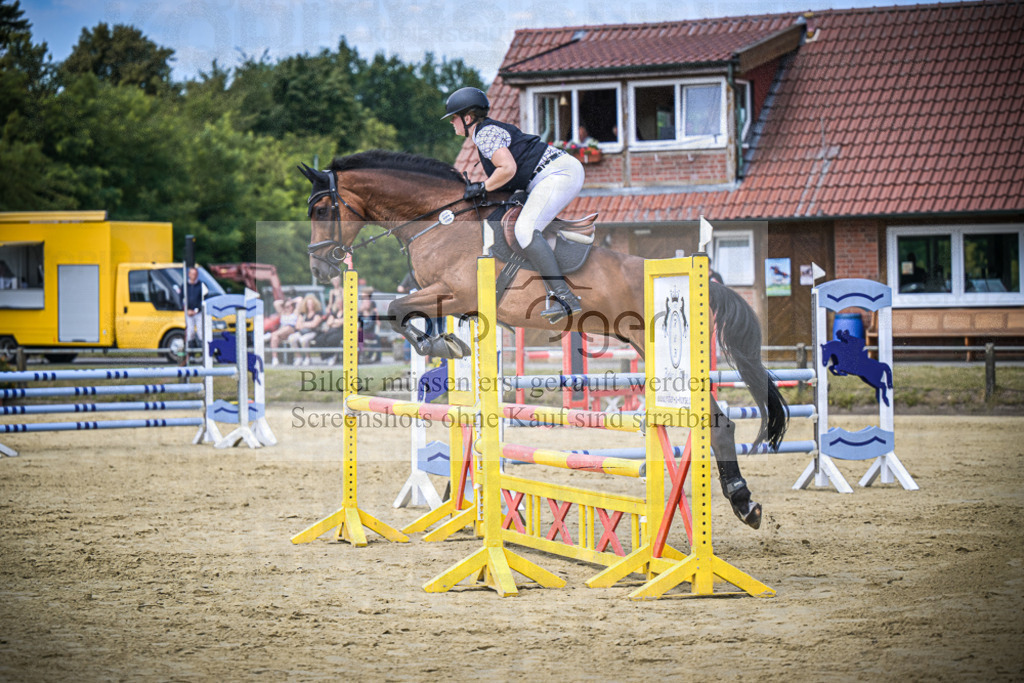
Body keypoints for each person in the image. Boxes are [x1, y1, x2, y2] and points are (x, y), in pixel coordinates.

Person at [442, 86, 585, 323]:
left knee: (524, 230)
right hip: (547, 175)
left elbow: (508, 169)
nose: (452, 123)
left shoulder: (484, 134)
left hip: (558, 173)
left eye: (454, 118)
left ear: (467, 118)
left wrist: (482, 187)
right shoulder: (486, 133)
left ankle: (565, 297)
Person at [288, 294, 323, 365]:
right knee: (291, 338)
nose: (310, 305)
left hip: (312, 332)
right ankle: (298, 357)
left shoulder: (318, 313)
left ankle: (308, 358)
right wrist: (307, 324)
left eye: (311, 303)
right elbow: (297, 326)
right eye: (308, 304)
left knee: (303, 340)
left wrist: (303, 324)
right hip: (302, 332)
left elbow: (314, 324)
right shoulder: (303, 313)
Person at [270, 296, 301, 366]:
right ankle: (275, 358)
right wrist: (285, 302)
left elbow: (300, 299)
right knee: (275, 338)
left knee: (281, 331)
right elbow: (276, 303)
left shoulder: (295, 312)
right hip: (282, 333)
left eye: (290, 306)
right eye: (287, 306)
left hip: (291, 329)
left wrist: (291, 301)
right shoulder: (283, 312)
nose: (289, 307)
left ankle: (270, 335)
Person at [316, 298, 345, 365]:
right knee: (320, 339)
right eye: (338, 303)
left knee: (331, 340)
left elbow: (342, 323)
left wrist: (334, 321)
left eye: (340, 303)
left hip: (341, 331)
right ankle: (325, 356)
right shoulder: (334, 312)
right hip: (332, 330)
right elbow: (329, 322)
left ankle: (332, 356)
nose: (339, 304)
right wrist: (337, 322)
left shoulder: (346, 312)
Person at [184, 267, 203, 351]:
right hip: (188, 312)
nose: (193, 276)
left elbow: (203, 299)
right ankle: (190, 353)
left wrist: (196, 310)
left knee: (200, 332)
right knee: (190, 332)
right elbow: (181, 298)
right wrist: (186, 309)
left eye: (195, 274)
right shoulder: (185, 286)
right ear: (188, 274)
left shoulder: (201, 286)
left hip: (198, 312)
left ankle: (203, 352)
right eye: (192, 274)